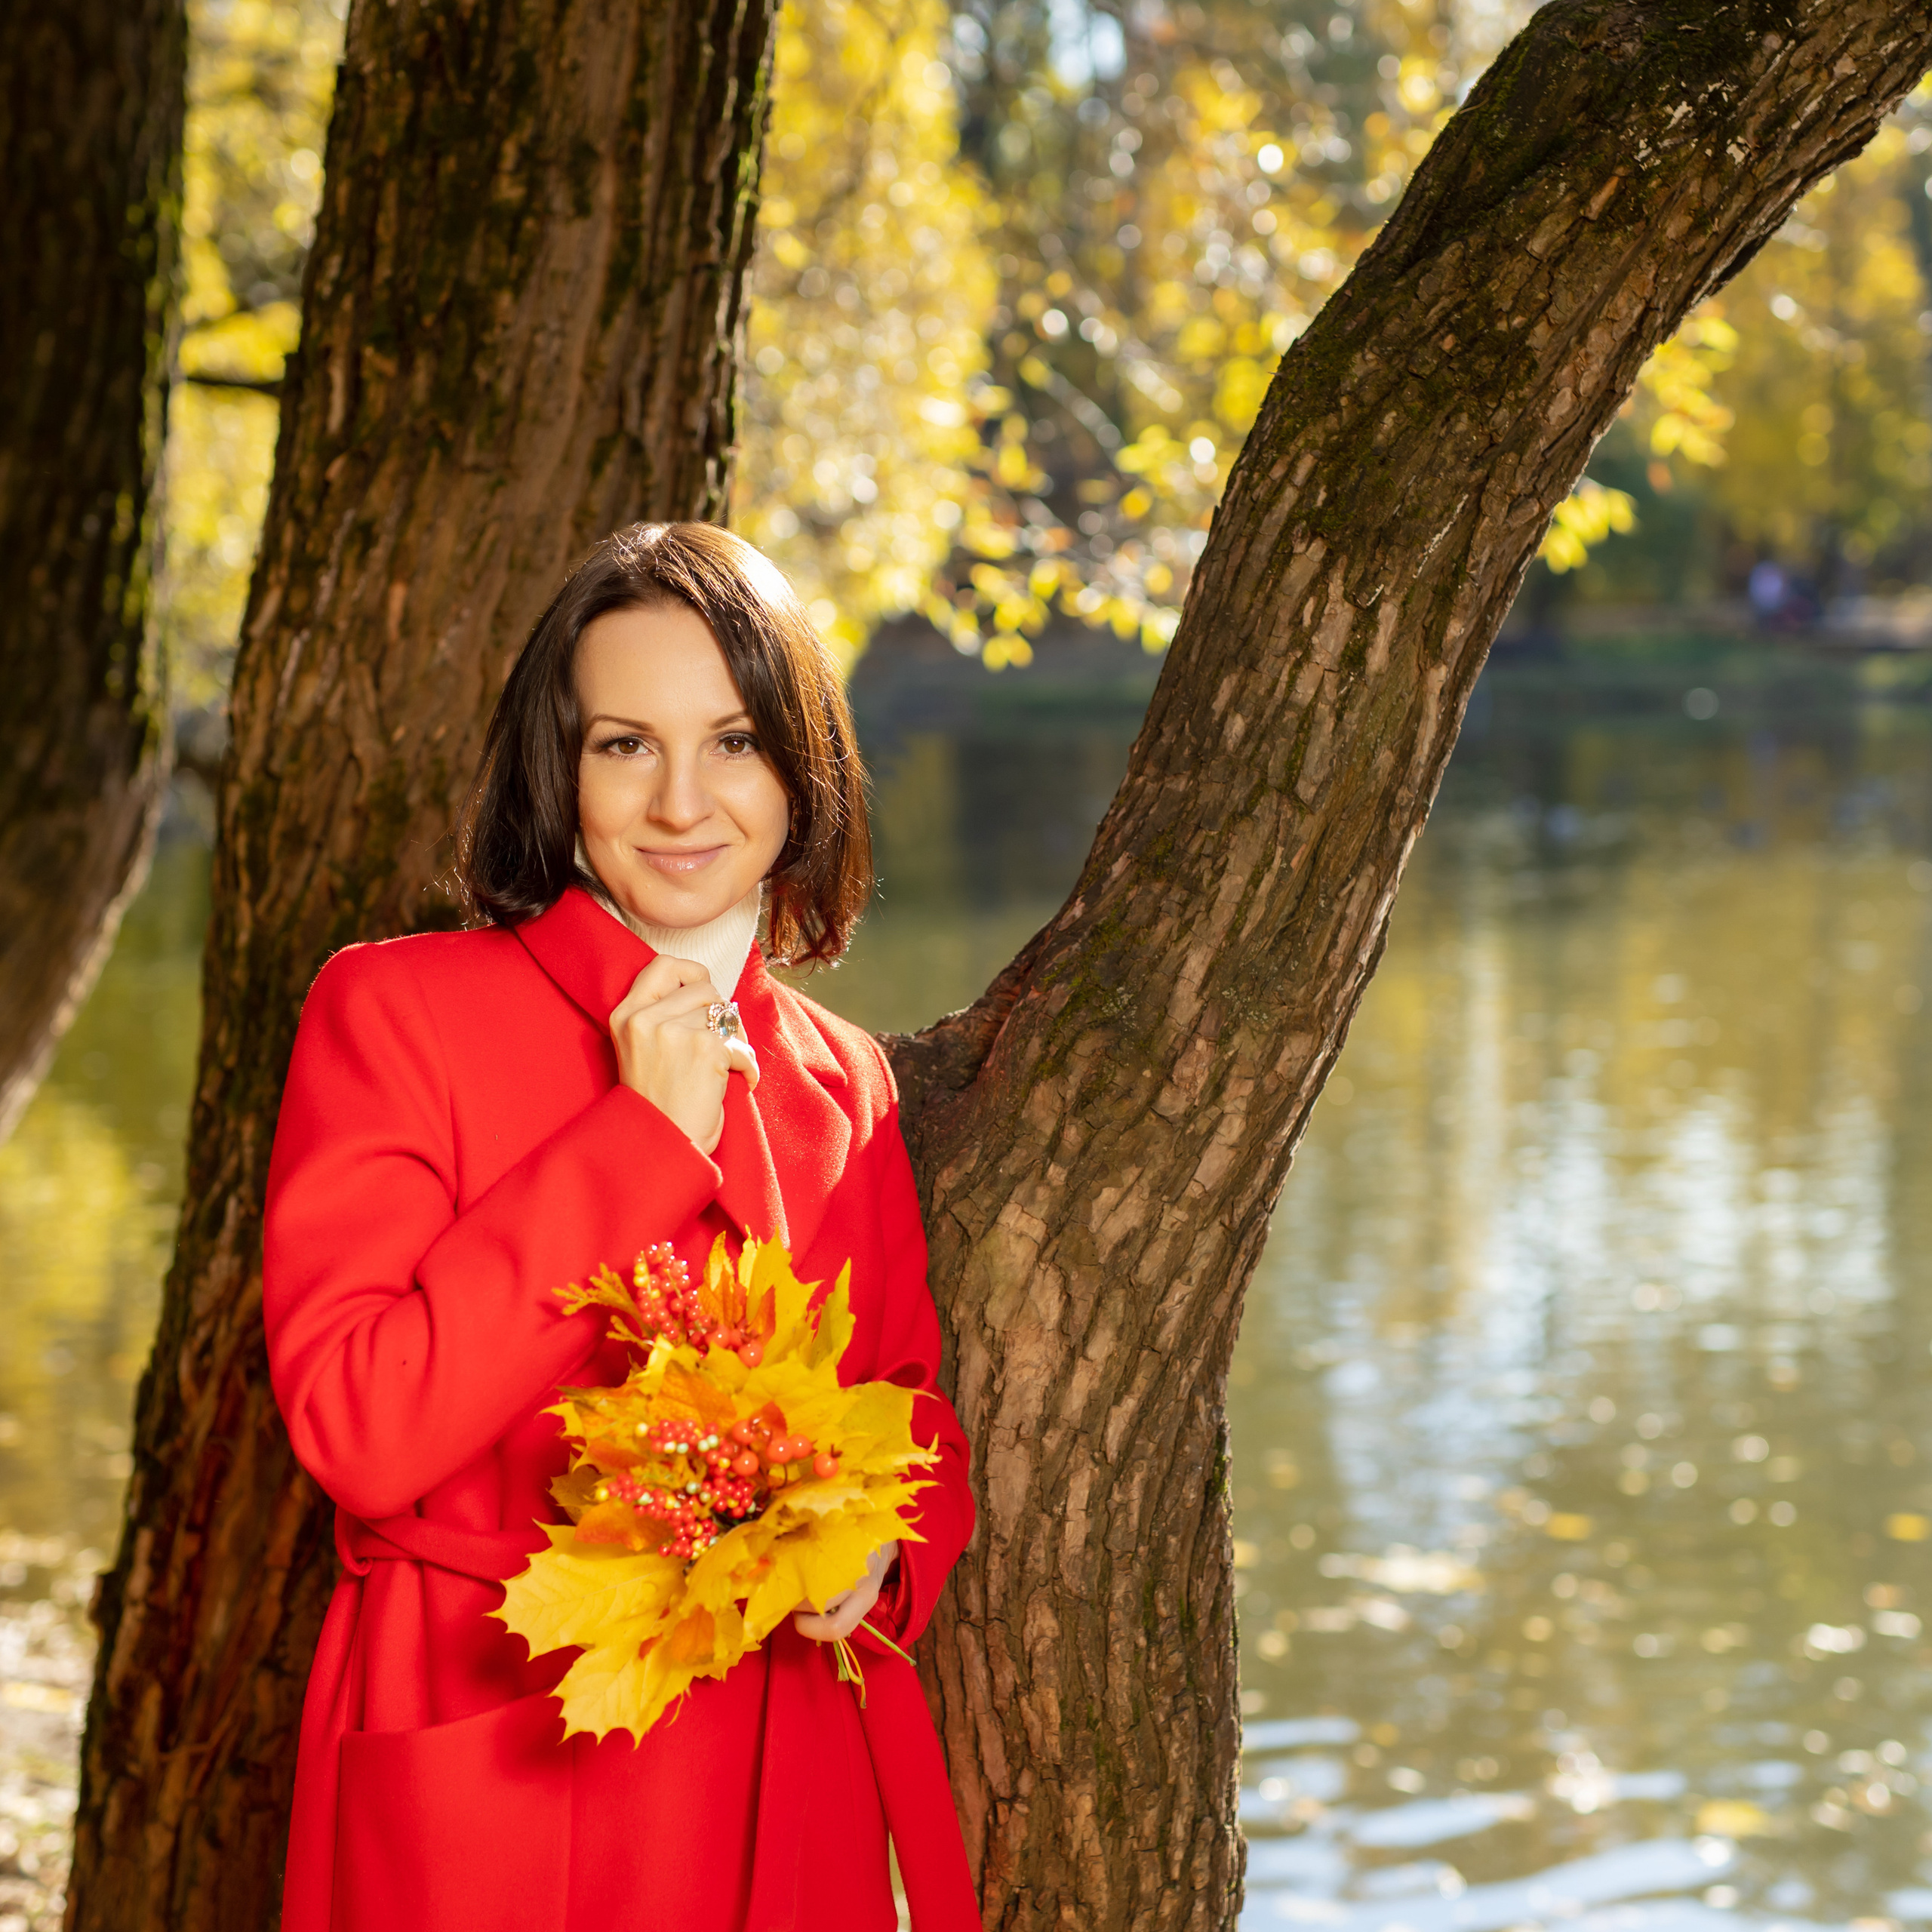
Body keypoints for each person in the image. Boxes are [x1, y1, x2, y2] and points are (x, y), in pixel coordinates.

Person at [263, 523, 978, 1932]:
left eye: (734, 743)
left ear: (801, 770)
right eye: (625, 745)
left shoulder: (843, 1077)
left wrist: (888, 1551)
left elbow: (906, 1405)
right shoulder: (395, 1011)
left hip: (780, 1773)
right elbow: (358, 1427)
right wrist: (639, 1140)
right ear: (561, 767)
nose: (681, 802)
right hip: (496, 1742)